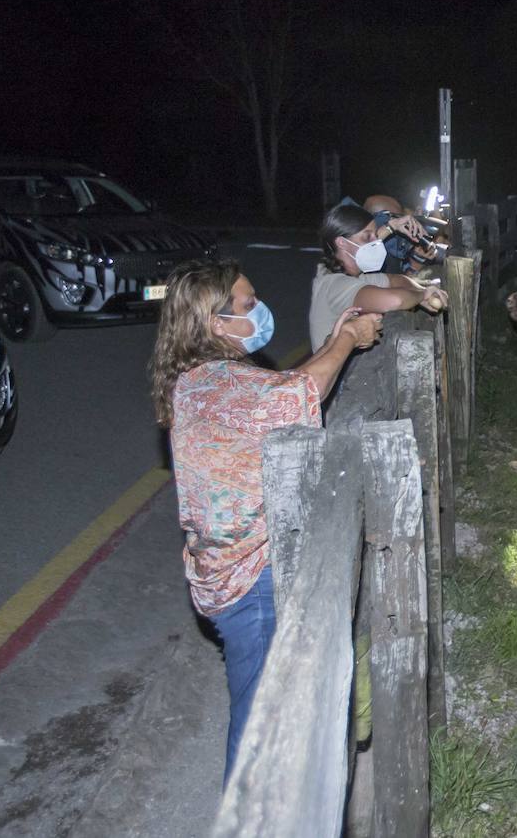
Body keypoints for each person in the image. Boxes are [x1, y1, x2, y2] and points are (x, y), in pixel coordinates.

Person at [148, 258, 383, 783]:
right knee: (261, 723)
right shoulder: (218, 384)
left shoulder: (207, 379)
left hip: (233, 571)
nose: (261, 311)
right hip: (248, 580)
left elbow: (286, 388)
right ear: (215, 323)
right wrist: (348, 343)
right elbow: (298, 395)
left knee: (269, 708)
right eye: (249, 305)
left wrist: (336, 338)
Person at [311, 202, 450, 351]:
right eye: (367, 237)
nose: (376, 243)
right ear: (342, 243)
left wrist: (419, 291)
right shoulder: (336, 284)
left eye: (376, 235)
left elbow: (397, 280)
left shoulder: (356, 275)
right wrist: (423, 294)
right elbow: (395, 300)